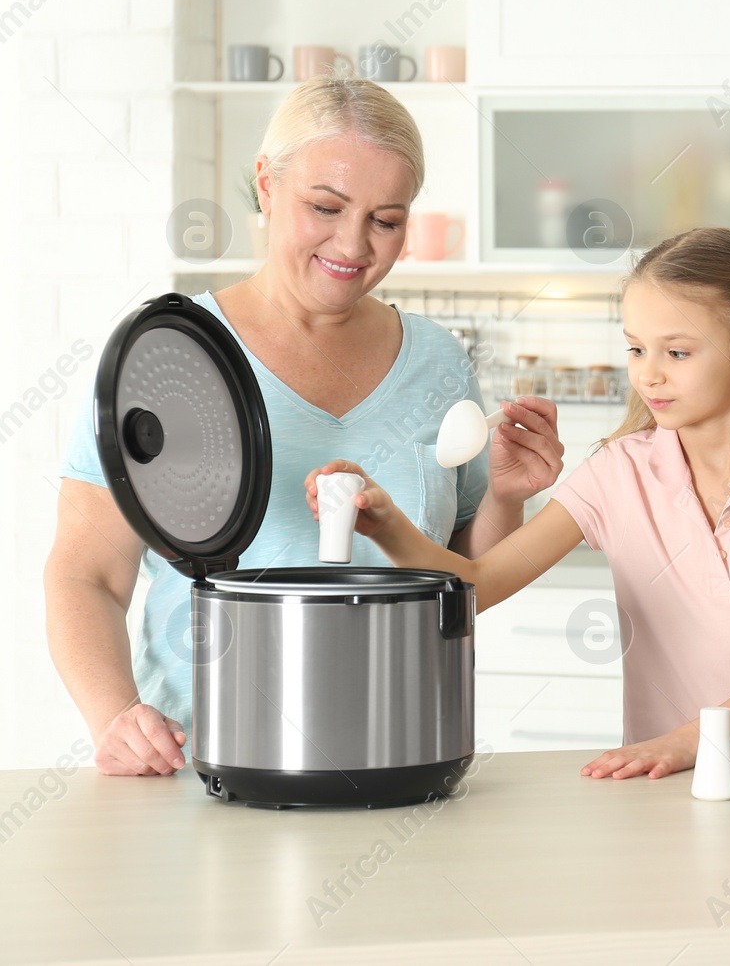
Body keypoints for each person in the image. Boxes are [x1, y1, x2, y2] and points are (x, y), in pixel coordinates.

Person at [45, 77, 564, 777]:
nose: (353, 244)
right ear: (266, 182)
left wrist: (505, 495)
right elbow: (84, 574)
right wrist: (116, 717)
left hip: (404, 752)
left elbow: (463, 576)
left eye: (386, 219)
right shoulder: (168, 357)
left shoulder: (439, 362)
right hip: (206, 765)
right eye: (325, 206)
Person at [307, 227, 730, 780]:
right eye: (636, 348)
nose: (649, 372)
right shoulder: (617, 473)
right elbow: (476, 584)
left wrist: (685, 742)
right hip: (663, 773)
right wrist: (384, 524)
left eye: (677, 351)